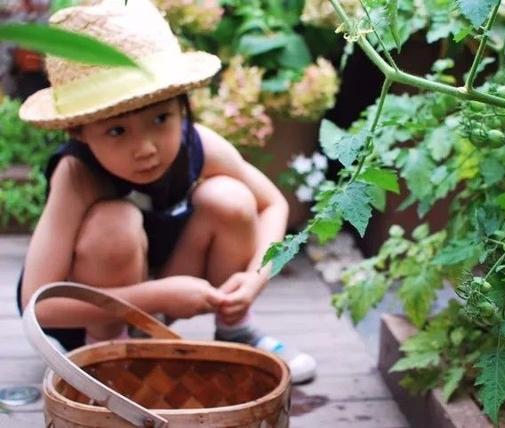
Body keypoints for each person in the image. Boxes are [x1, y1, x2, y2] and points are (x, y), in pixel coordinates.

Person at [16, 0, 316, 384]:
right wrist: (157, 296)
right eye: (117, 130)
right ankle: (107, 355)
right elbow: (38, 306)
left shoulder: (198, 145)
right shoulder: (76, 175)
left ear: (181, 105)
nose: (146, 148)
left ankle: (236, 329)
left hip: (170, 284)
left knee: (232, 197)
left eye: (160, 118)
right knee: (115, 221)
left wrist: (256, 277)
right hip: (89, 313)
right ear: (79, 131)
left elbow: (272, 202)